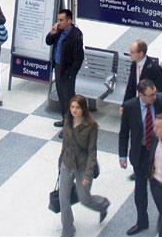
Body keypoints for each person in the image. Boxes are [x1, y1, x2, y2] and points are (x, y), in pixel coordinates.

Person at [119, 79, 162, 235]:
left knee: (160, 191)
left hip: (159, 152)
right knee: (140, 191)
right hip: (141, 153)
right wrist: (122, 155)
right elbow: (124, 132)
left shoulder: (161, 102)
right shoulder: (130, 107)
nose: (154, 97)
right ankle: (142, 221)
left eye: (155, 93)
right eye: (150, 95)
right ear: (141, 95)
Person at [59, 95, 110, 237]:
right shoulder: (68, 120)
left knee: (84, 198)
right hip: (67, 163)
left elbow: (92, 152)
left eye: (77, 108)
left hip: (82, 166)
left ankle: (102, 205)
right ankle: (68, 229)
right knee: (63, 198)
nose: (74, 111)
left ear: (83, 109)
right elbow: (65, 144)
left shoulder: (91, 126)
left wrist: (88, 175)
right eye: (72, 107)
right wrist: (60, 163)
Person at [46, 9, 84, 128]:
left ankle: (71, 125)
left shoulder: (75, 36)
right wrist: (52, 33)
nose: (59, 22)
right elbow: (48, 42)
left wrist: (71, 74)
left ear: (69, 21)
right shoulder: (58, 31)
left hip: (67, 71)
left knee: (69, 99)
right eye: (58, 20)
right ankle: (65, 119)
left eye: (61, 20)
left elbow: (79, 58)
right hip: (58, 67)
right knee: (61, 96)